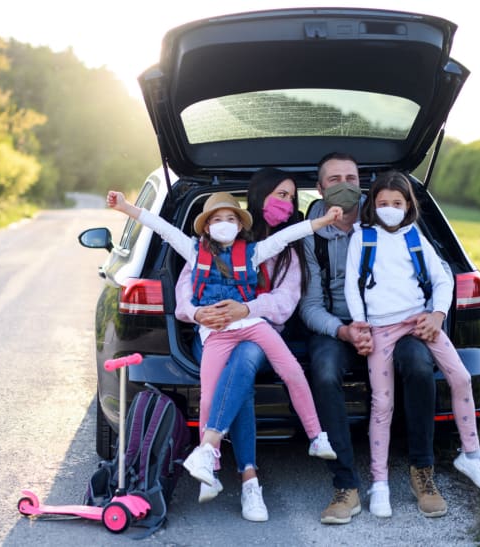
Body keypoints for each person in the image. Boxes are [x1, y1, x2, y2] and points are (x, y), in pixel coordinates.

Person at [105, 187, 342, 489]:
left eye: (231, 218)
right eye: (218, 219)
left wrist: (322, 222)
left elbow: (286, 237)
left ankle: (316, 436)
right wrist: (127, 207)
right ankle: (210, 460)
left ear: (241, 225)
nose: (225, 223)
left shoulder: (254, 252)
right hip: (215, 335)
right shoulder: (192, 251)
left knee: (293, 371)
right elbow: (161, 227)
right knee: (208, 396)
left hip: (253, 325)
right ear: (206, 226)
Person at [299, 152, 446, 524]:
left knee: (417, 363)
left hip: (397, 322)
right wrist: (344, 330)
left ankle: (422, 473)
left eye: (352, 177)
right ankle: (346, 488)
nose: (345, 184)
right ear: (319, 188)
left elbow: (436, 268)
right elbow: (310, 305)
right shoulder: (311, 234)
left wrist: (434, 313)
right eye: (335, 179)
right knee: (326, 371)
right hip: (338, 326)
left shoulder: (389, 209)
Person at [345, 170, 480, 517]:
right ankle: (379, 482)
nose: (389, 208)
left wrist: (438, 316)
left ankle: (472, 456)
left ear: (407, 205)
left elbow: (442, 279)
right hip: (382, 330)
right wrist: (360, 323)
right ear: (372, 205)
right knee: (382, 405)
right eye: (382, 203)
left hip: (420, 323)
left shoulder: (415, 236)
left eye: (396, 203)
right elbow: (352, 287)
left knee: (461, 378)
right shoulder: (363, 237)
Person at [173, 167, 312, 522]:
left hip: (259, 333)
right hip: (215, 331)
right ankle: (249, 479)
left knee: (245, 360)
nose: (287, 203)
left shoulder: (285, 252)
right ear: (259, 197)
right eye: (280, 194)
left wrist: (247, 308)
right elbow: (186, 290)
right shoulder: (212, 250)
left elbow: (285, 303)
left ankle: (215, 455)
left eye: (291, 198)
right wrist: (197, 313)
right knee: (241, 381)